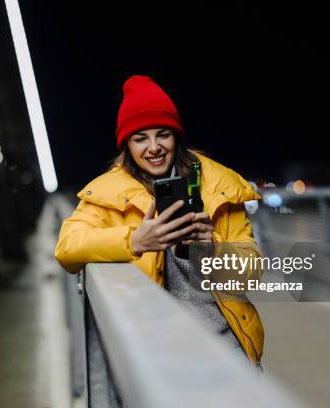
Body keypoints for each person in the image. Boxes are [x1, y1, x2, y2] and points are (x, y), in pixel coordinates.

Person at [54, 75, 264, 368]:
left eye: (162, 134)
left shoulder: (219, 186)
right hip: (161, 359)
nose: (153, 147)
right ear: (127, 144)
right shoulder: (108, 193)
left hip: (228, 352)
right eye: (140, 138)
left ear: (176, 136)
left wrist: (211, 248)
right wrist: (135, 240)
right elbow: (66, 248)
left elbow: (251, 274)